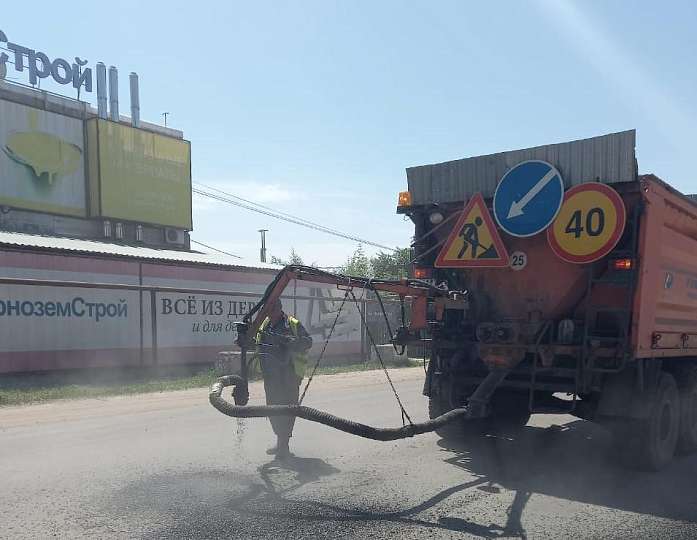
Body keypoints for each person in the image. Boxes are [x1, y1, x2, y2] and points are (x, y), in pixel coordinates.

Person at [255, 298, 313, 458]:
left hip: (289, 376)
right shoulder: (265, 325)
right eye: (268, 310)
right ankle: (280, 441)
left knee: (287, 410)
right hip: (270, 376)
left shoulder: (291, 324)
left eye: (272, 310)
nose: (270, 313)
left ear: (279, 309)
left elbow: (308, 342)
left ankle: (283, 445)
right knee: (272, 409)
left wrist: (293, 342)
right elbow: (258, 344)